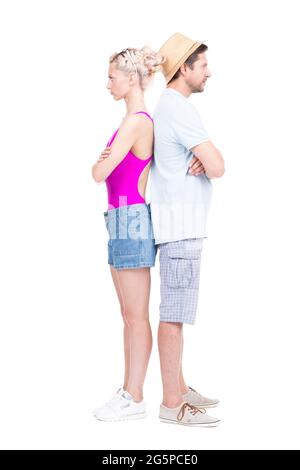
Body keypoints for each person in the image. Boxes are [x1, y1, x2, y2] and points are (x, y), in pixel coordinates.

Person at [150, 32, 225, 426]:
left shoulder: (169, 107)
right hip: (181, 229)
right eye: (204, 65)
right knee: (174, 316)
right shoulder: (179, 108)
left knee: (175, 313)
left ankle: (178, 388)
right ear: (185, 68)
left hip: (177, 227)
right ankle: (172, 405)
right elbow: (217, 165)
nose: (209, 73)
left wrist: (201, 159)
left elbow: (206, 162)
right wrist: (205, 159)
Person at [91, 46, 164, 421]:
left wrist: (100, 162)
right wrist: (100, 164)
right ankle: (128, 391)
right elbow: (99, 170)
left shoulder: (137, 121)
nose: (108, 84)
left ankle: (135, 398)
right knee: (127, 313)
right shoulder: (127, 122)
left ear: (131, 78)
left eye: (112, 77)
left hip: (132, 218)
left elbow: (100, 173)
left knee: (136, 315)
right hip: (119, 218)